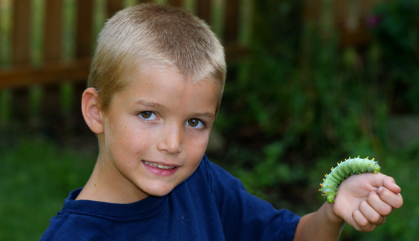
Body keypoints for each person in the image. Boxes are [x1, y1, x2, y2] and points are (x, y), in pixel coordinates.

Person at [40, 3, 403, 241]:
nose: (172, 144)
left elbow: (295, 236)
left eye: (195, 122)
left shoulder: (202, 185)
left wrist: (331, 213)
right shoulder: (76, 236)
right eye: (148, 114)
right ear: (95, 110)